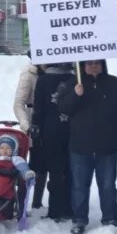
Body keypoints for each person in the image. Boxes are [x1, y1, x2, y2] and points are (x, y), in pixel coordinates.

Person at [57, 60, 117, 234]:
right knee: (79, 186)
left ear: (102, 64)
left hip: (107, 146)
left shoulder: (116, 84)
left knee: (107, 185)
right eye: (89, 63)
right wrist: (75, 95)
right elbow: (62, 107)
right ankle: (79, 219)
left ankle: (110, 219)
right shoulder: (73, 84)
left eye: (96, 63)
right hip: (80, 145)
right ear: (83, 65)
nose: (93, 66)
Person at [31, 62, 75, 221]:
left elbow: (38, 108)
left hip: (50, 130)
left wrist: (35, 127)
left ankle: (56, 209)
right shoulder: (75, 78)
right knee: (70, 170)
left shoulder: (43, 80)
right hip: (72, 129)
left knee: (55, 171)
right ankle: (70, 207)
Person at [13, 56, 47, 209]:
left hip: (58, 120)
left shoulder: (64, 68)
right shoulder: (29, 73)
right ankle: (34, 201)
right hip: (35, 121)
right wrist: (26, 125)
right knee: (37, 163)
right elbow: (19, 103)